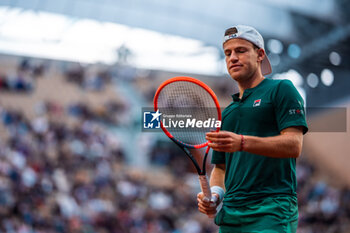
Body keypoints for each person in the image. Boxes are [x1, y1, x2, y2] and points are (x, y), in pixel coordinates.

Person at [197, 25, 308, 233]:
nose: (233, 58)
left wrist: (242, 142)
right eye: (228, 53)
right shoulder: (227, 112)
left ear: (260, 54)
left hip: (272, 209)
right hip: (231, 214)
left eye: (241, 50)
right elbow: (220, 167)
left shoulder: (281, 89)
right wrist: (216, 194)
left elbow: (294, 145)